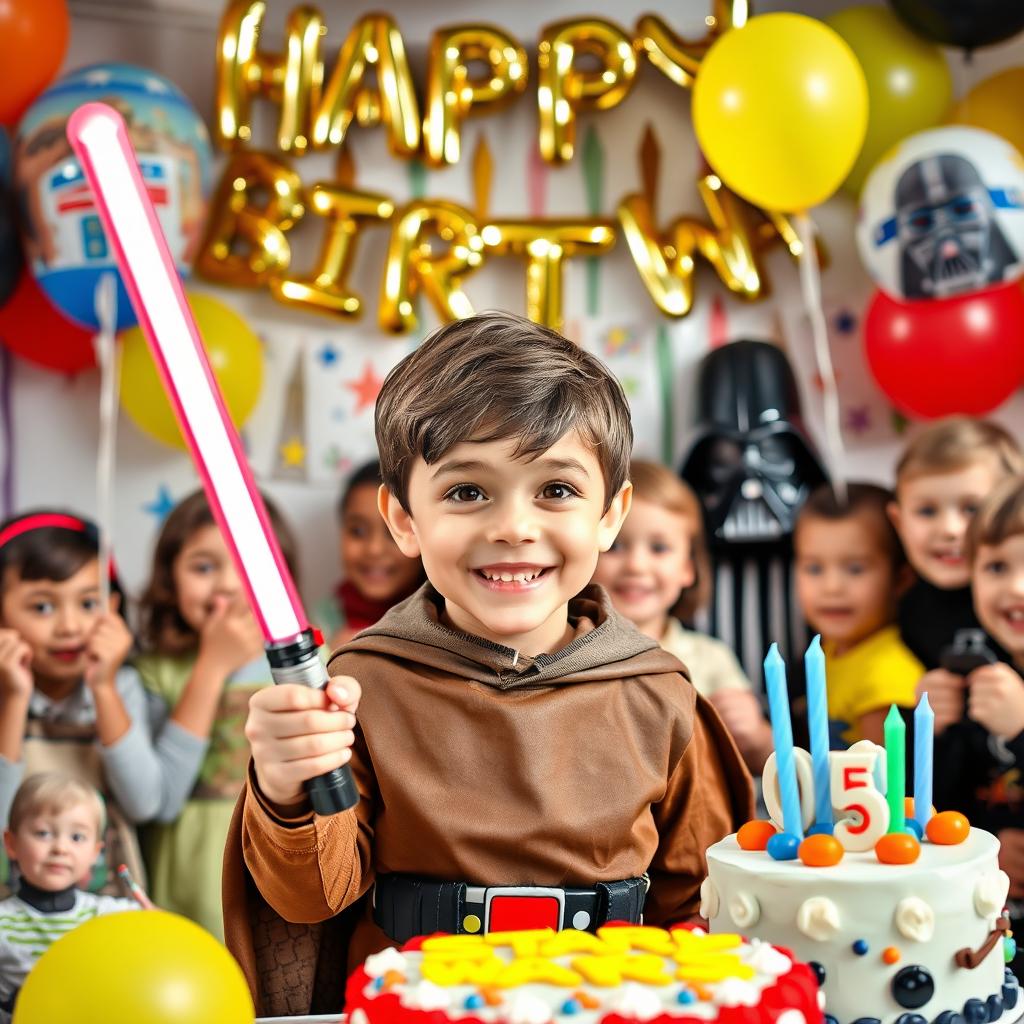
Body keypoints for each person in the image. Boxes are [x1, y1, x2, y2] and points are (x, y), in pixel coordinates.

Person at [223, 312, 753, 1017]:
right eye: (467, 491)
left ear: (611, 513)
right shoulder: (357, 687)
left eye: (556, 490)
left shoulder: (660, 696)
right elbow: (310, 899)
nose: (513, 525)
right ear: (404, 518)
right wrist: (289, 789)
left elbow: (708, 906)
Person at [0, 511, 204, 895]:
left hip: (106, 906)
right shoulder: (5, 695)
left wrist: (104, 689)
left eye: (88, 604)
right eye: (42, 607)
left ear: (112, 606)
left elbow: (144, 804)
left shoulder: (121, 687)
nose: (70, 626)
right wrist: (13, 699)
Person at [134, 490, 297, 940]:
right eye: (203, 567)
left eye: (245, 566)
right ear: (170, 576)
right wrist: (213, 665)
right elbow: (160, 801)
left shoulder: (310, 664)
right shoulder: (154, 671)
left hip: (273, 876)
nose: (225, 584)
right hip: (183, 884)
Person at [592, 459, 772, 773]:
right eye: (616, 545)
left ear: (688, 568)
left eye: (659, 548)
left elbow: (764, 763)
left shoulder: (710, 658)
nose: (636, 565)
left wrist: (754, 734)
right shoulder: (563, 650)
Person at [943, 475, 1024, 978]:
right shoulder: (973, 671)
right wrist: (936, 727)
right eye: (996, 566)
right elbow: (949, 808)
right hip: (988, 930)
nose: (1015, 586)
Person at [0, 772, 138, 1020]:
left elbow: (162, 931)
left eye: (77, 837)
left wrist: (158, 918)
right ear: (11, 843)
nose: (60, 848)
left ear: (96, 852)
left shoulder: (106, 915)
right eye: (43, 833)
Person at [794, 483, 922, 746]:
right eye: (814, 569)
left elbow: (880, 784)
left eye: (855, 569)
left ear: (901, 579)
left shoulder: (887, 676)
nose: (832, 587)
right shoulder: (829, 650)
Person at [311, 460, 424, 649]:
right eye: (358, 532)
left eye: (393, 532)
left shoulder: (446, 620)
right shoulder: (322, 621)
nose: (375, 549)